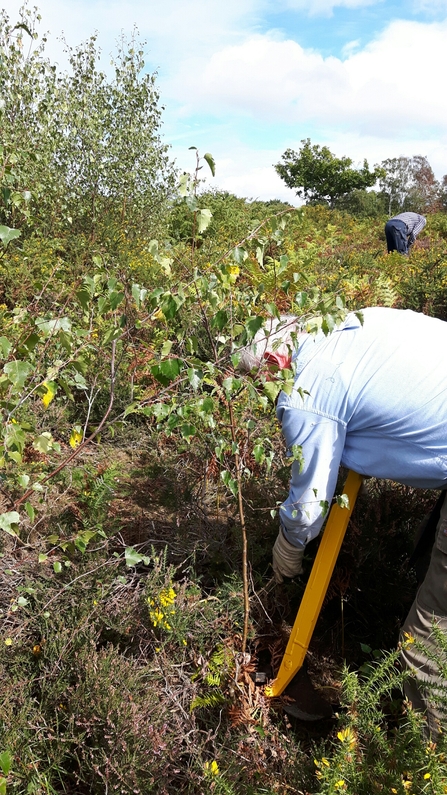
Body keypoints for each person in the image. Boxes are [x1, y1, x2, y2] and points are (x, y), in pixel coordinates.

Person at [241, 307, 447, 734]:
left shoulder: (307, 388)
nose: (263, 394)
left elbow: (309, 502)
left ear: (274, 363)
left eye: (257, 382)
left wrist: (289, 548)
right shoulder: (345, 323)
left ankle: (423, 756)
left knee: (424, 647)